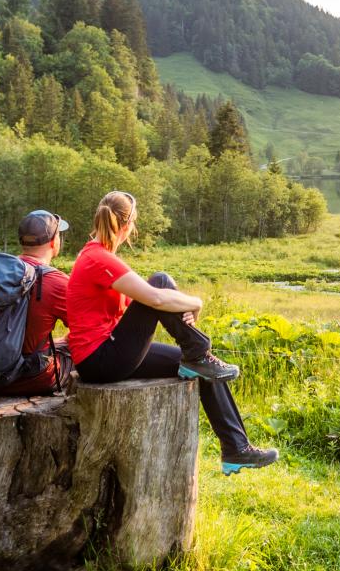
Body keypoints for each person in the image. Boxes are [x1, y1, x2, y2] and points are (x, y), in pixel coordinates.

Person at [66, 190, 279, 474]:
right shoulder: (98, 259)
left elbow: (144, 304)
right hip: (100, 360)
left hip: (107, 353)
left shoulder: (97, 256)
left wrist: (178, 306)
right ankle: (198, 351)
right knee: (161, 281)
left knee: (204, 369)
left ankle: (236, 449)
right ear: (128, 225)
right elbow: (155, 298)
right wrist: (196, 302)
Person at [0, 209, 72, 398]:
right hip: (31, 378)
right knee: (84, 354)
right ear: (54, 242)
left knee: (60, 344)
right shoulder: (56, 281)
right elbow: (89, 329)